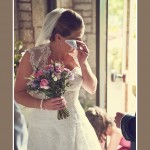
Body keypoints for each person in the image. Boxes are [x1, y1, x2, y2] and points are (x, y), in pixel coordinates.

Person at [14, 8, 102, 150]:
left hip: (74, 125)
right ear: (59, 37)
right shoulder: (33, 56)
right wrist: (43, 104)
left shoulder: (77, 55)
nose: (79, 44)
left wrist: (83, 62)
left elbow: (92, 89)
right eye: (75, 40)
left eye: (81, 38)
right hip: (44, 128)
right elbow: (17, 93)